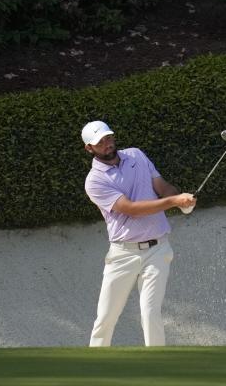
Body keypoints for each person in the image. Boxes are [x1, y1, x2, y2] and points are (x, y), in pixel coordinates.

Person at [81, 120, 196, 346]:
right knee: (106, 317)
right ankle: (94, 369)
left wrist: (181, 200)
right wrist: (173, 201)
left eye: (108, 138)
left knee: (150, 313)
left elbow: (162, 188)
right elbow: (131, 209)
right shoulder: (94, 181)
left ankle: (158, 370)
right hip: (123, 254)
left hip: (158, 249)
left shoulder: (136, 155)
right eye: (100, 142)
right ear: (89, 149)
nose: (107, 144)